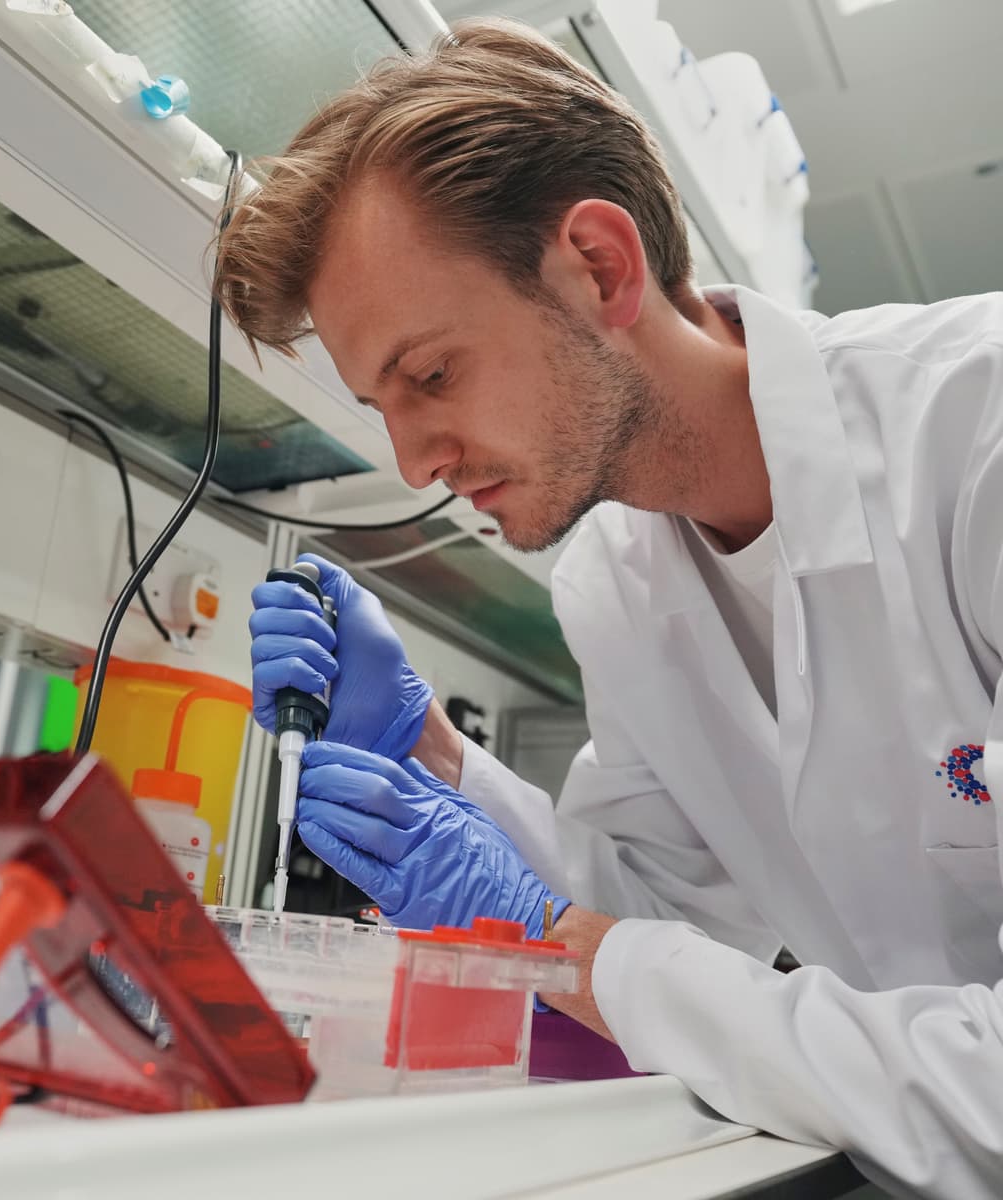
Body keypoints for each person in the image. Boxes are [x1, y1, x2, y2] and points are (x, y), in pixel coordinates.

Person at [216, 18, 1003, 1198]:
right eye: (383, 406)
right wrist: (434, 758)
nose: (416, 459)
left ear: (599, 266)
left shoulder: (977, 437)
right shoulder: (614, 583)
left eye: (432, 374)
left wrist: (578, 955)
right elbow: (664, 915)